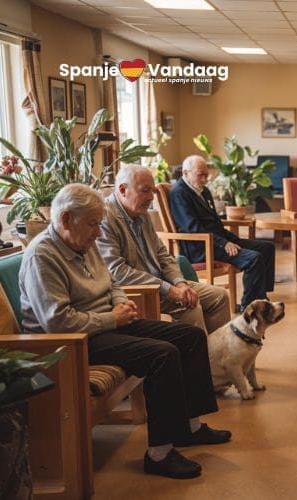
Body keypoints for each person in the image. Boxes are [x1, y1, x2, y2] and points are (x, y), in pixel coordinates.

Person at [19, 184, 231, 479]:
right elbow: (58, 322)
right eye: (93, 223)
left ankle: (189, 427)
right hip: (70, 343)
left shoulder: (84, 243)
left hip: (104, 325)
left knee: (190, 336)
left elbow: (112, 283)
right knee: (162, 354)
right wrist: (112, 319)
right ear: (66, 219)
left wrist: (121, 304)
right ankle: (159, 454)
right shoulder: (41, 256)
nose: (98, 231)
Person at [96, 165, 230, 333]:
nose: (151, 197)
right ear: (123, 190)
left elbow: (162, 254)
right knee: (191, 306)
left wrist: (179, 284)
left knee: (220, 296)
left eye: (152, 191)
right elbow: (117, 271)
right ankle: (199, 357)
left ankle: (217, 355)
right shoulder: (105, 218)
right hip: (137, 290)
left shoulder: (141, 213)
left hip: (162, 284)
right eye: (145, 191)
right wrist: (168, 290)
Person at [170, 155, 275, 310]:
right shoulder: (179, 193)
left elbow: (215, 223)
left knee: (267, 248)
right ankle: (249, 306)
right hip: (202, 247)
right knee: (254, 259)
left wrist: (231, 239)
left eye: (206, 174)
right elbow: (192, 227)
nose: (205, 179)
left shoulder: (202, 190)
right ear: (185, 173)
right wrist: (224, 243)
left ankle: (260, 297)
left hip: (217, 241)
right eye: (200, 175)